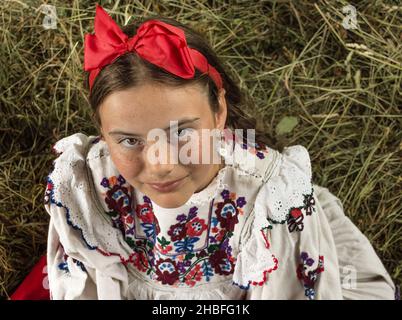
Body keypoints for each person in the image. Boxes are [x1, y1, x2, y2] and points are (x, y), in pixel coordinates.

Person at [43, 4, 396, 300]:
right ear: (102, 132)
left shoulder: (271, 205)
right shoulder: (87, 186)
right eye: (129, 140)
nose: (160, 165)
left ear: (219, 112)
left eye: (181, 133)